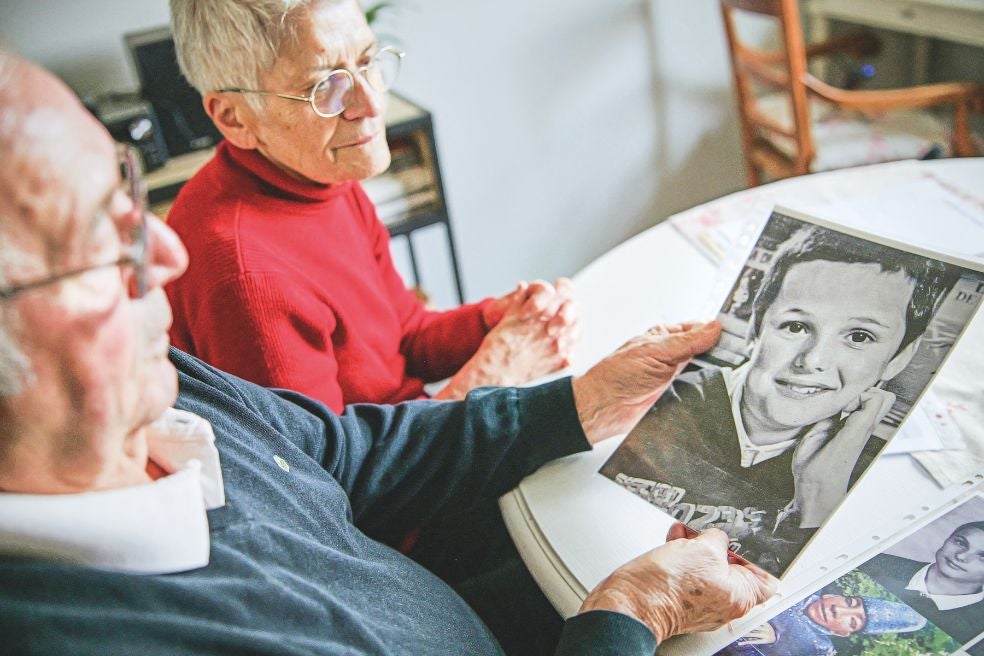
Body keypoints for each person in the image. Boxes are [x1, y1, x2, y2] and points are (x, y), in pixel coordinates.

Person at [0, 52, 776, 656]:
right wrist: (633, 611)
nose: (166, 254)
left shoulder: (164, 385)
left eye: (128, 194)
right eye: (97, 238)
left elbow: (343, 450)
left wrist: (582, 400)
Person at [162, 0, 579, 415]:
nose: (372, 104)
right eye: (323, 87)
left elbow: (404, 336)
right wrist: (498, 369)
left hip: (413, 431)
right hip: (396, 457)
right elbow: (333, 460)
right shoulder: (245, 277)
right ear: (234, 118)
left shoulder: (315, 172)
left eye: (367, 61)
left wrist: (490, 321)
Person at [602, 224, 958, 574]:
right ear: (757, 324)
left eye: (859, 337)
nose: (813, 360)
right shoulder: (659, 404)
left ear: (899, 357)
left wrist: (818, 495)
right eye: (796, 326)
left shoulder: (877, 486)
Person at [859, 521, 984, 643]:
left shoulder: (978, 635)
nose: (961, 556)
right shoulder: (875, 563)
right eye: (960, 542)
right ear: (947, 539)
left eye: (982, 557)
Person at [721, 592, 927, 655]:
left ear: (841, 633)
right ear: (831, 596)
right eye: (850, 602)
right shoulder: (809, 587)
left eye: (852, 621)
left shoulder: (817, 647)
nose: (838, 610)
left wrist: (773, 640)